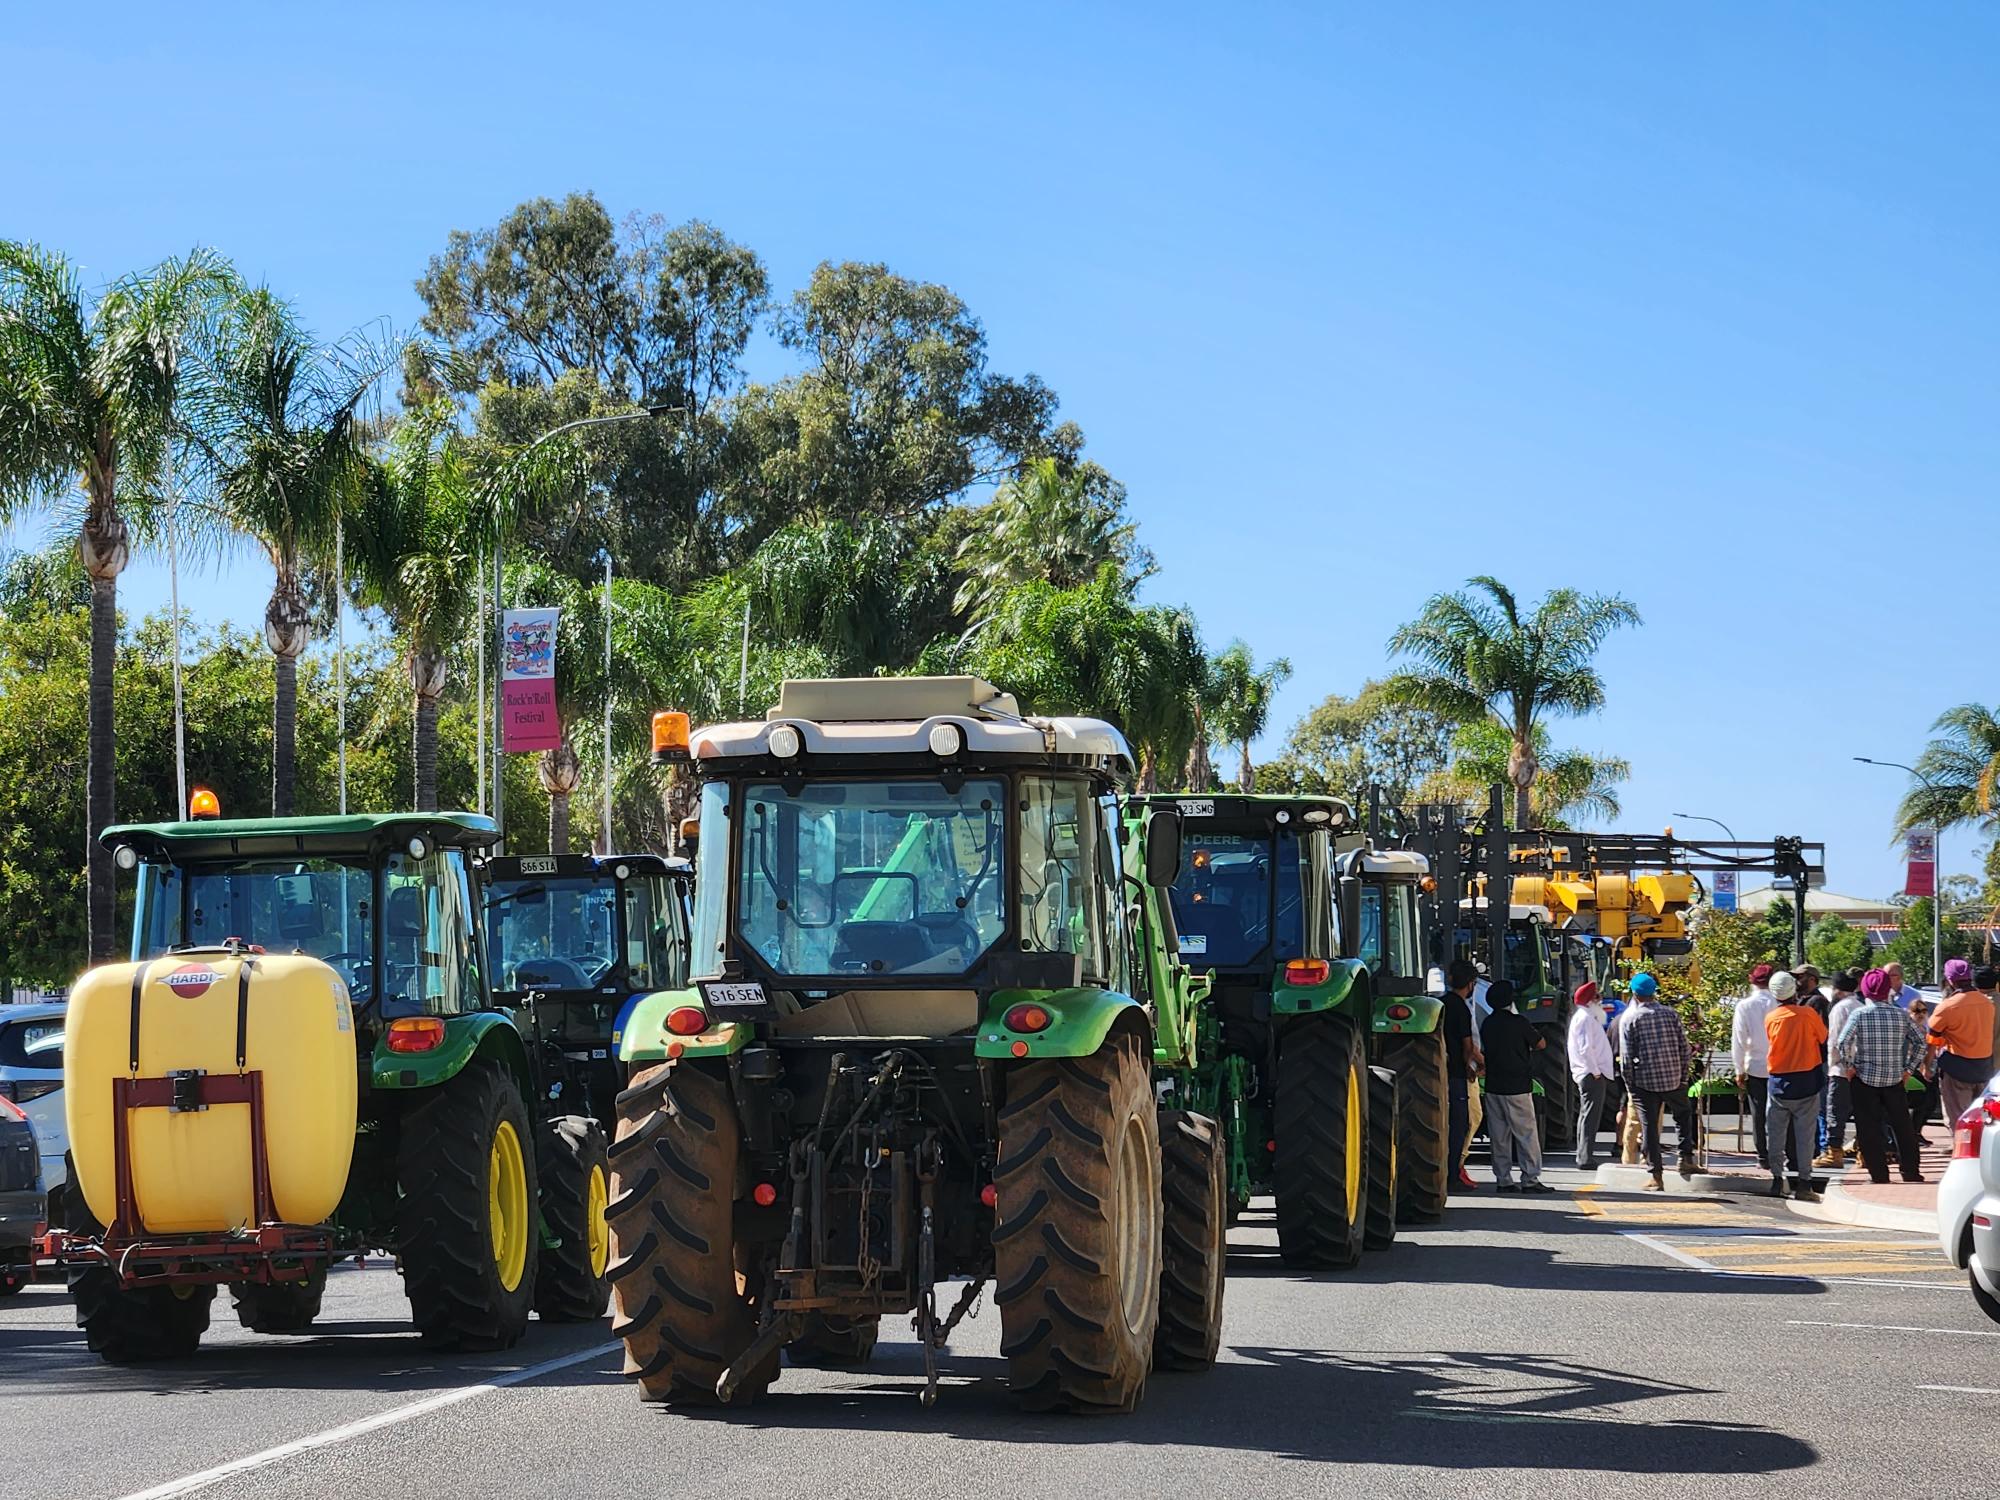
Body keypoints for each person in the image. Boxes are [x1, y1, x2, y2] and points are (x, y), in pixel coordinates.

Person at [1836, 967, 1928, 1185]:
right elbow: (1920, 1043)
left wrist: (1850, 1066)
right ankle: (1910, 1171)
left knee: (1869, 1129)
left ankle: (1879, 1175)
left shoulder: (1859, 1014)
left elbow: (1843, 1042)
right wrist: (1908, 1069)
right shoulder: (1901, 1014)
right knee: (1903, 1126)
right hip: (1895, 1079)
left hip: (1865, 1078)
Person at [1620, 972, 1698, 1190]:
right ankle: (1686, 1159)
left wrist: (1630, 1086)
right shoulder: (1670, 1014)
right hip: (1673, 1078)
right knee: (1683, 1116)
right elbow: (1685, 1048)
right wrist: (1682, 1076)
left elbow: (1626, 1058)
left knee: (1650, 1128)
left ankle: (1656, 1175)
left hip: (1645, 1082)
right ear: (1654, 991)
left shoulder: (1629, 1019)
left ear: (1634, 994)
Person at [1480, 981, 1551, 1194]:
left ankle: (1503, 1179)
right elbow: (1541, 1044)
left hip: (1493, 1085)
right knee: (1526, 1133)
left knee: (1499, 1135)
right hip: (1518, 1086)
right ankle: (1530, 1179)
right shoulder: (1519, 1022)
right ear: (1510, 1000)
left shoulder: (1487, 1023)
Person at [1763, 971, 1828, 1202]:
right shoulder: (1808, 1014)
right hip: (1807, 1081)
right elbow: (1822, 1037)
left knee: (1776, 1135)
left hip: (1779, 1082)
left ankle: (1777, 1179)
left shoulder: (1771, 1018)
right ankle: (1804, 1183)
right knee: (1805, 1136)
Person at [1928, 958, 1995, 1129]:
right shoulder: (1987, 1003)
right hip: (1984, 1068)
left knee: (1960, 1121)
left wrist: (1926, 1066)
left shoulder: (1947, 1007)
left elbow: (1932, 1040)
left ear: (1950, 980)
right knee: (1982, 1120)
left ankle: (1962, 1153)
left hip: (1957, 1069)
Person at [1440, 958, 1485, 1192]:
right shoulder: (1462, 1010)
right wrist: (1476, 1065)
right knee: (1461, 1124)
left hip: (1438, 1072)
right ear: (1470, 984)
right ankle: (1453, 1172)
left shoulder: (1439, 1005)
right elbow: (1468, 1046)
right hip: (1457, 1074)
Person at [1816, 968, 1864, 1168]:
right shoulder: (1861, 1006)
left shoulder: (1839, 1009)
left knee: (1835, 1113)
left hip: (1841, 1070)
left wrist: (1834, 1064)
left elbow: (1835, 1041)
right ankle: (1864, 1153)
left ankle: (1834, 1153)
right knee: (1862, 1112)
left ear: (1838, 990)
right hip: (1862, 1070)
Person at [1731, 963, 1777, 1164]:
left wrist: (1739, 1069)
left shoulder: (1744, 1006)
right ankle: (1779, 1151)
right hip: (1781, 1066)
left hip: (1756, 1066)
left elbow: (1739, 1041)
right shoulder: (1780, 1003)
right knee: (1780, 1112)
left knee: (1758, 1113)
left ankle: (1762, 1155)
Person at [1568, 981, 1615, 1171]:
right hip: (1591, 1073)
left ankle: (1584, 1154)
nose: (1600, 1000)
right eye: (1597, 997)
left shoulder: (1586, 1017)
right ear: (1590, 1000)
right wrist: (1595, 1072)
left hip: (1590, 1072)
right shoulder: (1585, 1018)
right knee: (1590, 1117)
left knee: (1587, 1116)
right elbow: (1586, 1049)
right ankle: (1585, 1157)